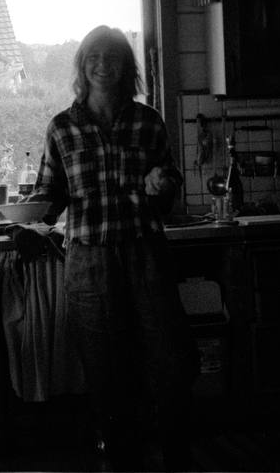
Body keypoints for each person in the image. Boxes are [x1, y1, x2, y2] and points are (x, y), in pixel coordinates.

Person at [27, 25, 198, 471]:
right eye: (94, 57)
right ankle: (121, 459)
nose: (103, 65)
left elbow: (168, 185)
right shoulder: (62, 127)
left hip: (146, 254)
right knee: (105, 370)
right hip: (89, 261)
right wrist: (28, 217)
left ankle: (176, 455)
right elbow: (50, 193)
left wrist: (162, 184)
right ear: (82, 66)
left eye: (113, 58)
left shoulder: (148, 121)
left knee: (171, 360)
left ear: (126, 67)